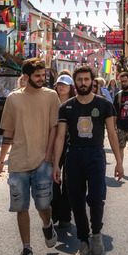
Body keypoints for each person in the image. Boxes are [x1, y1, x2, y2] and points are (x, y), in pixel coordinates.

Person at [0, 58, 61, 255]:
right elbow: (8, 132)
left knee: (43, 205)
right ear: (26, 76)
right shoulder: (13, 99)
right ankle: (27, 249)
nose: (42, 79)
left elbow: (54, 128)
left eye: (43, 75)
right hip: (18, 162)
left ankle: (47, 224)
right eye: (38, 76)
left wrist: (49, 157)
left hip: (43, 161)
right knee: (20, 207)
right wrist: (1, 160)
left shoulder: (51, 96)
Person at [52, 66, 123, 255]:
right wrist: (56, 164)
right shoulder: (66, 107)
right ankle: (83, 243)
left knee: (96, 198)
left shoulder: (104, 104)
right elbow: (59, 137)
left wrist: (119, 161)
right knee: (76, 201)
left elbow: (111, 133)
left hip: (95, 155)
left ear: (93, 81)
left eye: (86, 79)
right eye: (79, 80)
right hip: (73, 155)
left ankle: (97, 236)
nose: (83, 83)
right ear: (75, 82)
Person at [50, 74, 76, 228]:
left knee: (68, 180)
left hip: (70, 144)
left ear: (70, 87)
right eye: (59, 84)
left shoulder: (75, 103)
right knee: (53, 178)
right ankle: (55, 212)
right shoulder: (51, 103)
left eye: (65, 85)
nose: (61, 87)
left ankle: (66, 213)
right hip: (53, 144)